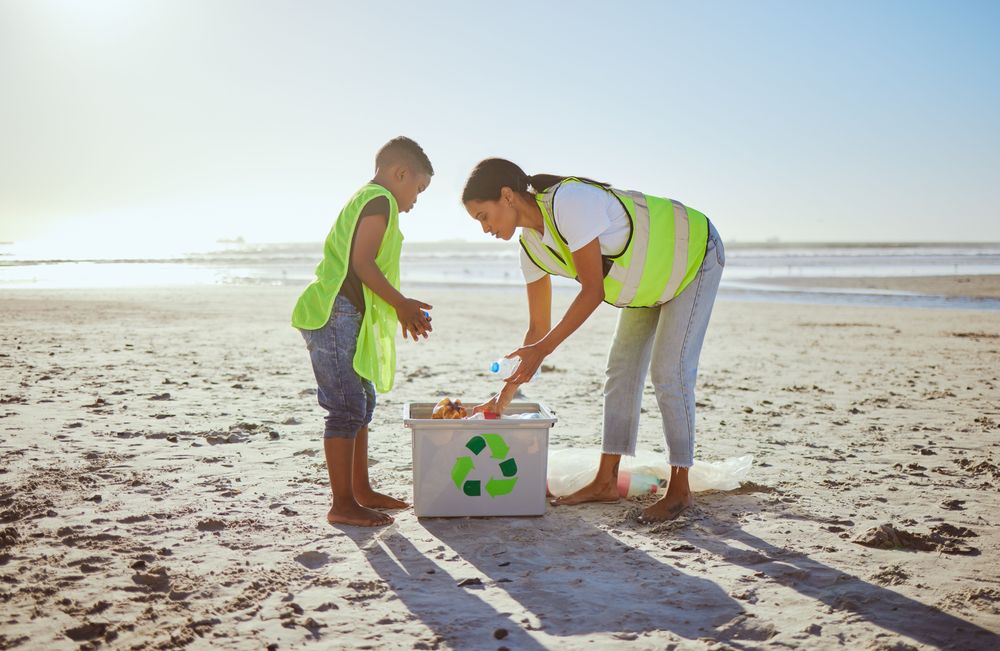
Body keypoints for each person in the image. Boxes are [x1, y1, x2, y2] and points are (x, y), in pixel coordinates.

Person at [462, 158, 725, 522]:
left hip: (693, 254)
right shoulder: (530, 249)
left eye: (483, 216)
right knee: (620, 371)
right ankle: (606, 480)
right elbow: (537, 331)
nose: (485, 227)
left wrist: (542, 350)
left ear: (506, 196)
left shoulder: (569, 202)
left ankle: (680, 490)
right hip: (646, 283)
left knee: (668, 370)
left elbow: (591, 290)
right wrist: (500, 398)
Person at [292, 136, 434, 527]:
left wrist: (400, 308)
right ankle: (342, 503)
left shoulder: (370, 198)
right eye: (418, 189)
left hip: (345, 313)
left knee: (363, 401)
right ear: (399, 173)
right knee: (345, 407)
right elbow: (363, 264)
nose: (416, 200)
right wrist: (402, 303)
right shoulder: (380, 200)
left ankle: (360, 490)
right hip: (332, 313)